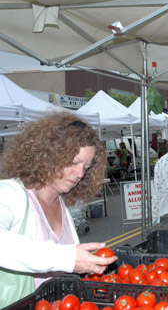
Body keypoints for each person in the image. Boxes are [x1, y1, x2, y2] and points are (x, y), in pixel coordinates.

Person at [0, 113, 117, 307]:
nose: (80, 174)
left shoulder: (60, 202)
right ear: (48, 155)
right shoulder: (11, 194)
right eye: (73, 162)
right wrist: (67, 258)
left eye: (86, 167)